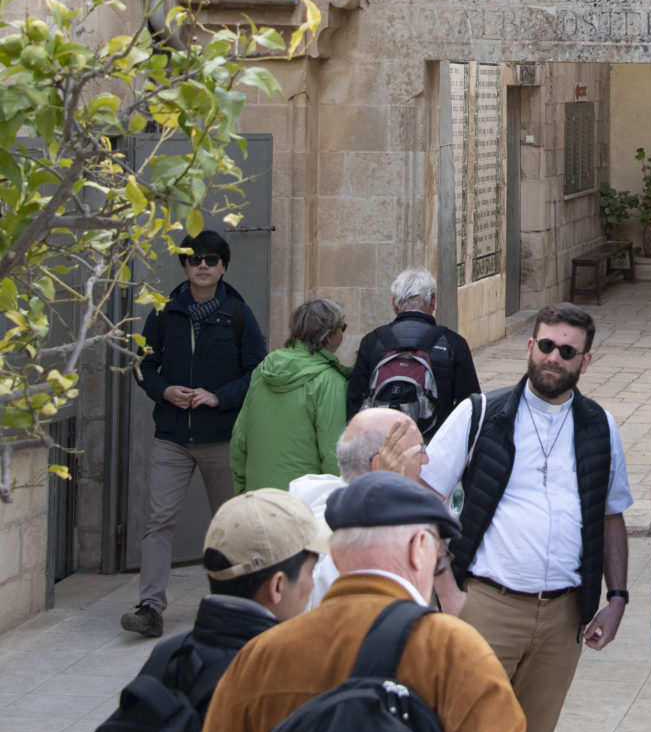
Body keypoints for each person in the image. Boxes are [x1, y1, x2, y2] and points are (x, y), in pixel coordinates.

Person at [187, 471, 551, 732]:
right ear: (418, 549)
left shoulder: (258, 657)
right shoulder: (452, 649)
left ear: (336, 554)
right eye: (440, 559)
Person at [425, 301, 633, 732]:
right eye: (546, 345)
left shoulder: (600, 426)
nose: (554, 357)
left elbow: (610, 514)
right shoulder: (481, 413)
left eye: (567, 351)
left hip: (562, 619)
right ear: (529, 347)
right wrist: (447, 590)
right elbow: (421, 500)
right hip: (485, 606)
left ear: (585, 361)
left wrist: (617, 598)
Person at [60, 489, 325, 732]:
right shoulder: (281, 680)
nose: (312, 584)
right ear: (278, 586)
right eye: (310, 571)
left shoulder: (169, 653)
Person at [123, 229, 267, 639]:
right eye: (194, 259)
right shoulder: (164, 312)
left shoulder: (239, 314)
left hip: (220, 437)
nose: (202, 265)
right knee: (159, 521)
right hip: (172, 436)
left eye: (211, 259)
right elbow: (143, 366)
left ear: (223, 266)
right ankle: (150, 608)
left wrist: (218, 397)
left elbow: (257, 372)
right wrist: (164, 390)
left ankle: (232, 605)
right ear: (185, 265)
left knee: (228, 524)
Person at [287, 406, 431, 607]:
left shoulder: (319, 499)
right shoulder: (335, 527)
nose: (426, 460)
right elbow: (329, 602)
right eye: (419, 450)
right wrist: (385, 492)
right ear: (381, 465)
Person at [229, 297, 350, 493]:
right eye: (342, 328)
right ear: (328, 335)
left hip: (258, 493)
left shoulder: (263, 369)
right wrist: (338, 498)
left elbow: (239, 437)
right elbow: (332, 451)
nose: (343, 334)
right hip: (304, 499)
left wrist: (241, 485)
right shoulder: (329, 380)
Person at [344, 267, 480, 437]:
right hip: (435, 443)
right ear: (433, 300)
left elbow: (354, 401)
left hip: (384, 444)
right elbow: (471, 404)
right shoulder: (453, 343)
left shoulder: (372, 342)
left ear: (394, 303)